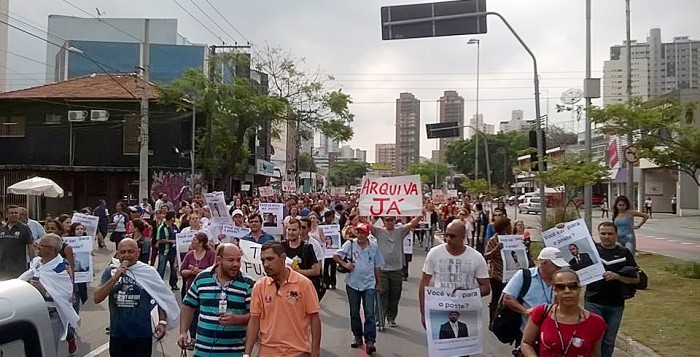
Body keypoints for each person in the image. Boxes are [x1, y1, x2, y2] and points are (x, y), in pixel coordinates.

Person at [94, 238, 180, 357]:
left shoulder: (148, 272)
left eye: (130, 251)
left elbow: (162, 298)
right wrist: (115, 277)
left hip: (142, 334)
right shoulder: (111, 271)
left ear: (138, 252)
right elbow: (97, 298)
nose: (126, 255)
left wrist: (162, 321)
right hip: (118, 334)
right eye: (123, 252)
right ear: (118, 253)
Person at [244, 241, 322, 357]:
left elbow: (314, 318)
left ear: (283, 258)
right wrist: (247, 353)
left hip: (297, 352)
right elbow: (254, 320)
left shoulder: (304, 284)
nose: (265, 264)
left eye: (270, 259)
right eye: (263, 260)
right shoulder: (259, 286)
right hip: (267, 353)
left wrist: (315, 352)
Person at [179, 243, 253, 356]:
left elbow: (255, 316)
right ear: (219, 260)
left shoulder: (248, 284)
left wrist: (238, 319)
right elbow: (188, 305)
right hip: (203, 352)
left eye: (238, 260)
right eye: (231, 260)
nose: (236, 264)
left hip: (234, 353)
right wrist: (183, 332)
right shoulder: (202, 278)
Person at [419, 221, 490, 330]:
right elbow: (424, 284)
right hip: (440, 310)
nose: (448, 239)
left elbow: (486, 288)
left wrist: (467, 293)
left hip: (466, 311)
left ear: (463, 236)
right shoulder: (434, 253)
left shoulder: (476, 257)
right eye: (446, 235)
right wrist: (424, 313)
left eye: (452, 236)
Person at [520, 268, 606, 357]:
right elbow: (526, 343)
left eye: (572, 286)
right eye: (560, 287)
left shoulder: (597, 322)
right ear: (555, 290)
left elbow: (595, 353)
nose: (567, 291)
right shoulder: (541, 312)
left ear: (579, 288)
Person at [584, 222, 640, 357]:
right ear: (599, 234)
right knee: (592, 338)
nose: (606, 237)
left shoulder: (624, 253)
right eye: (603, 233)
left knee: (608, 340)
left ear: (616, 235)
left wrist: (618, 277)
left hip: (615, 304)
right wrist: (562, 227)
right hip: (593, 301)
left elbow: (636, 279)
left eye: (610, 234)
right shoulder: (592, 251)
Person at [19, 234, 79, 355]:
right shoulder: (36, 262)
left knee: (48, 351)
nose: (37, 247)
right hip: (32, 313)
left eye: (41, 245)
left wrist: (45, 292)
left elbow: (65, 295)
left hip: (51, 316)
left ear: (52, 250)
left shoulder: (61, 268)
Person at [334, 222, 384, 354]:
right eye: (358, 232)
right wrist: (345, 264)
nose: (360, 235)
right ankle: (357, 336)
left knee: (369, 313)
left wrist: (379, 283)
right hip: (353, 284)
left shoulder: (373, 247)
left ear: (367, 234)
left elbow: (377, 266)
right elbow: (336, 256)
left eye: (363, 232)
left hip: (369, 284)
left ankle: (370, 340)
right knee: (354, 312)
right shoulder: (350, 244)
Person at [502, 247, 569, 340]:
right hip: (527, 333)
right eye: (556, 266)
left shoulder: (561, 280)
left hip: (553, 334)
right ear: (544, 263)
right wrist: (526, 311)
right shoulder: (524, 275)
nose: (559, 269)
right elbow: (508, 298)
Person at [370, 214, 421, 327]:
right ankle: (380, 318)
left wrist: (419, 214)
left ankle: (391, 318)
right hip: (382, 270)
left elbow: (412, 224)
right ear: (384, 221)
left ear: (394, 220)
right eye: (387, 220)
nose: (390, 222)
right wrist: (362, 211)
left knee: (395, 295)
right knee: (383, 294)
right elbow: (367, 225)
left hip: (397, 270)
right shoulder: (379, 231)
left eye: (392, 220)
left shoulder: (400, 231)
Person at [283, 218, 323, 298]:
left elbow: (316, 271)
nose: (291, 232)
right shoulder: (282, 246)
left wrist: (298, 271)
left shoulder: (307, 248)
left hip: (303, 291)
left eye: (294, 230)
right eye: (289, 229)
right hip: (285, 290)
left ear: (300, 230)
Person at [483, 217, 513, 323]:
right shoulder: (493, 240)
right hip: (496, 274)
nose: (511, 228)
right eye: (509, 226)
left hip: (509, 274)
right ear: (504, 228)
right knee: (496, 298)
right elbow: (486, 256)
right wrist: (496, 249)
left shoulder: (511, 239)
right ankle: (492, 321)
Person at [0, 205, 35, 280]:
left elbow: (30, 246)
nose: (14, 214)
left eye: (16, 213)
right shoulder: (2, 228)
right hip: (2, 266)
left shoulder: (25, 228)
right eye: (11, 213)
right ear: (6, 215)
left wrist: (33, 262)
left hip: (18, 266)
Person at [156, 211, 180, 290]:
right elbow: (159, 240)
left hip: (173, 252)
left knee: (174, 268)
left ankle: (173, 284)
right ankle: (159, 284)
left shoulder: (175, 227)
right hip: (164, 251)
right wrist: (170, 241)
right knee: (161, 268)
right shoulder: (162, 227)